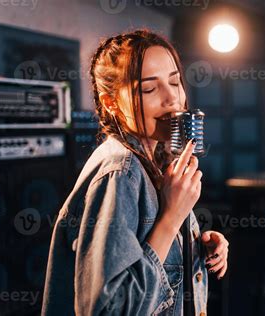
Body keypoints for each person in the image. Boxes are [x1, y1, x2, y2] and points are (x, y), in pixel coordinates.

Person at [41, 29, 229, 315]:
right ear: (111, 103)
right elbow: (110, 310)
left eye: (175, 82)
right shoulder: (120, 172)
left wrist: (192, 247)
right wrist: (171, 219)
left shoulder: (154, 160)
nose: (172, 99)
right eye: (149, 89)